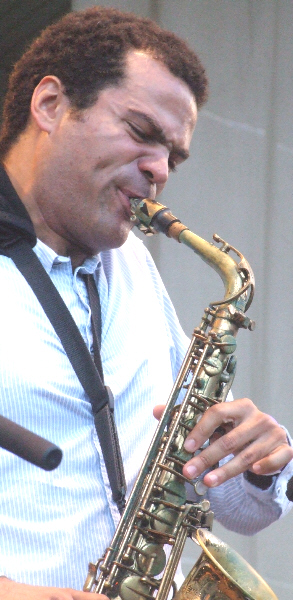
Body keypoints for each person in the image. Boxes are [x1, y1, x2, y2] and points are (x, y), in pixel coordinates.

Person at [0, 6, 292, 600]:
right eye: (141, 132)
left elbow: (233, 505)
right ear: (50, 104)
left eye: (174, 157)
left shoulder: (131, 263)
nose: (159, 170)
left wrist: (258, 467)